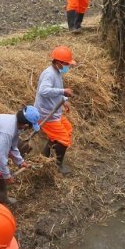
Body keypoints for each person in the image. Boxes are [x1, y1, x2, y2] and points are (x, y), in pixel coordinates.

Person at [34, 46, 76, 175]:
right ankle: (58, 165)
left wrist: (64, 100)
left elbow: (55, 90)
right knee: (63, 139)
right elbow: (43, 90)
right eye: (67, 64)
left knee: (68, 129)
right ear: (59, 63)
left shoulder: (57, 72)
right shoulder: (49, 74)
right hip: (46, 114)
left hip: (54, 111)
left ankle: (45, 155)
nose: (68, 66)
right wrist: (63, 91)